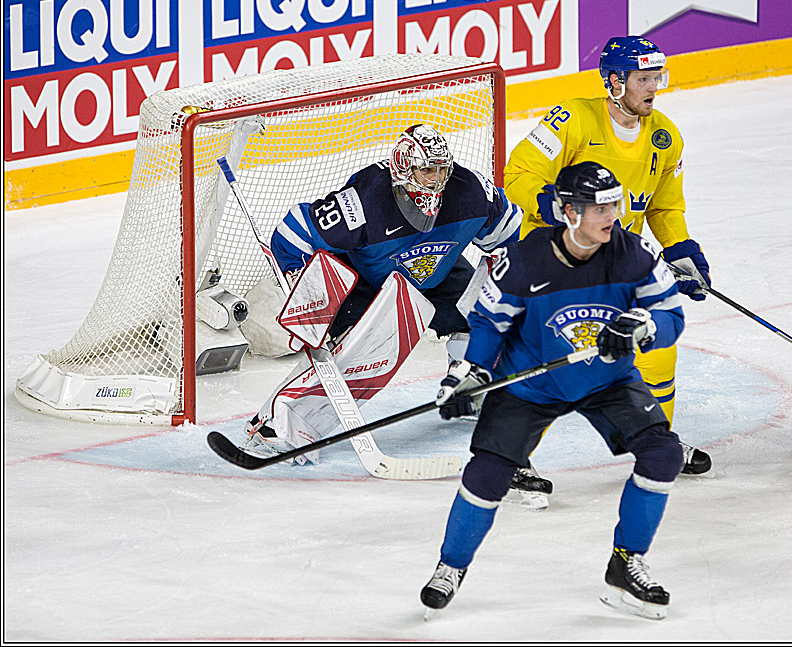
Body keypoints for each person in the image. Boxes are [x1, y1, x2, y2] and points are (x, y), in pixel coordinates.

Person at [420, 162, 686, 620]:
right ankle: (451, 566)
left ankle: (626, 563)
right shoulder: (523, 261)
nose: (610, 216)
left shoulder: (634, 254)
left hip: (608, 379)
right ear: (569, 212)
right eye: (598, 208)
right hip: (531, 383)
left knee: (663, 454)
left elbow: (671, 316)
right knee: (489, 472)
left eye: (613, 205)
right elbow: (489, 325)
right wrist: (471, 374)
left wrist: (642, 326)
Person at [502, 35, 713, 487]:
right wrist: (562, 209)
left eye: (657, 78)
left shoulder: (665, 136)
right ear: (615, 82)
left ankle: (656, 441)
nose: (653, 88)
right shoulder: (572, 119)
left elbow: (663, 206)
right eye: (643, 79)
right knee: (553, 358)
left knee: (656, 348)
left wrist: (680, 248)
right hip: (555, 257)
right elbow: (518, 174)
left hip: (615, 262)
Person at [243, 123, 523, 459]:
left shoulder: (472, 192)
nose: (436, 180)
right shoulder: (364, 203)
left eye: (441, 170)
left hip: (439, 271)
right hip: (367, 282)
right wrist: (309, 296)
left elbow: (510, 236)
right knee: (362, 355)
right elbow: (292, 234)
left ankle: (471, 385)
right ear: (404, 168)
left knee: (488, 307)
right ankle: (276, 426)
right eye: (427, 171)